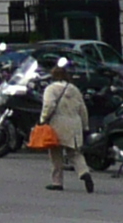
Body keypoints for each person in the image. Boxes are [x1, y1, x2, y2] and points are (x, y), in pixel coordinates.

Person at [37, 57, 93, 195]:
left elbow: (49, 105)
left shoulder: (50, 89)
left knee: (55, 154)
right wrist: (85, 126)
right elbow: (83, 109)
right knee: (74, 153)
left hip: (57, 123)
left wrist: (43, 119)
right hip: (74, 123)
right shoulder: (74, 89)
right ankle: (84, 172)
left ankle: (57, 182)